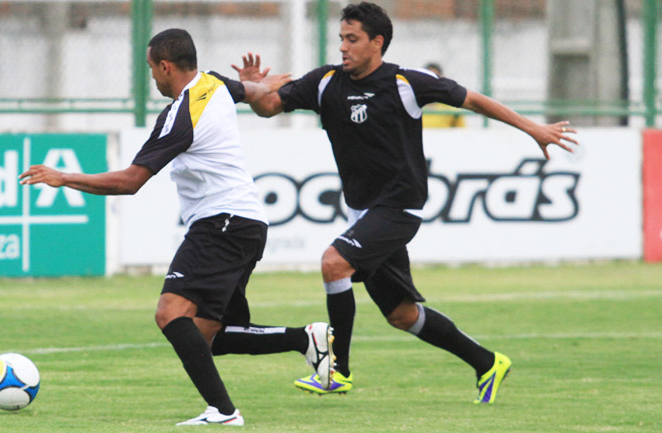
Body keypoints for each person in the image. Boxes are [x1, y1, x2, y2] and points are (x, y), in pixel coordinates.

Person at [233, 1, 577, 404]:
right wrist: (255, 88)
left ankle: (337, 371)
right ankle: (487, 362)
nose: (342, 46)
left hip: (400, 207)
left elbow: (475, 100)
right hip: (363, 210)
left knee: (333, 263)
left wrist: (533, 128)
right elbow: (269, 107)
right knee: (402, 316)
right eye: (341, 38)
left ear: (376, 43)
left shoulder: (407, 83)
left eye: (352, 39)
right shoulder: (325, 81)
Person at [19, 28, 335, 426]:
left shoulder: (181, 115)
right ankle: (305, 339)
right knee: (207, 336)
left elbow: (130, 182)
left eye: (152, 68)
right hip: (246, 223)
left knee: (170, 313)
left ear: (165, 65)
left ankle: (223, 412)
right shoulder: (215, 83)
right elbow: (256, 91)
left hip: (222, 222)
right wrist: (261, 82)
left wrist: (64, 178)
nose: (152, 77)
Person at [421, 62, 466, 128]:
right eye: (428, 78)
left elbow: (462, 130)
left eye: (435, 77)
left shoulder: (451, 108)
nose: (431, 82)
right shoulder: (415, 104)